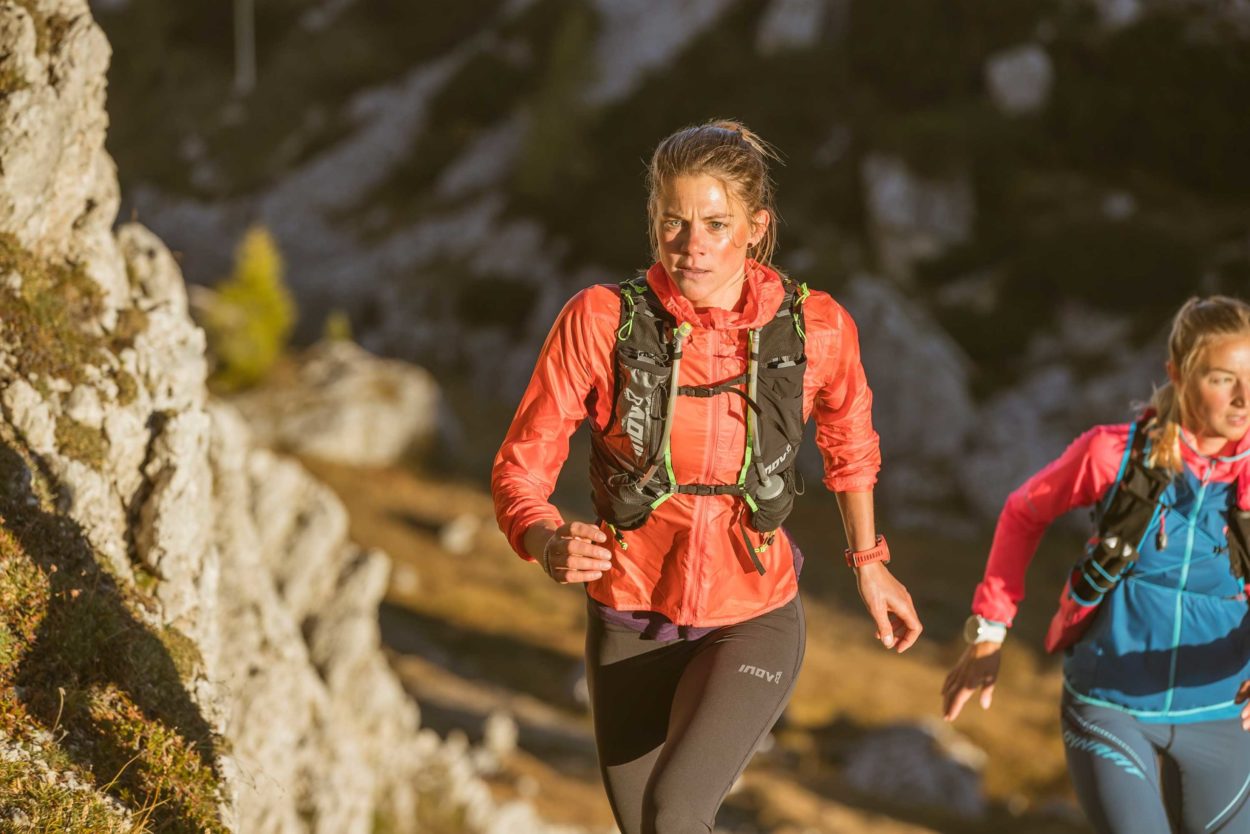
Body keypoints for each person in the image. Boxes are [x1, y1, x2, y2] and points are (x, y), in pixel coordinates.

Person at [492, 119, 922, 834]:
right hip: (627, 615)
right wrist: (545, 541)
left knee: (675, 813)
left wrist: (870, 563)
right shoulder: (599, 321)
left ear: (757, 227)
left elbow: (851, 441)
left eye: (716, 224)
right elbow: (520, 464)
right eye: (674, 222)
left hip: (753, 615)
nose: (692, 245)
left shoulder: (818, 327)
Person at [942, 296, 1250, 834]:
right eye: (1224, 378)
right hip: (1110, 706)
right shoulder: (1113, 454)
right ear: (1178, 375)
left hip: (1221, 714)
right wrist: (990, 632)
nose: (1244, 398)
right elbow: (1022, 511)